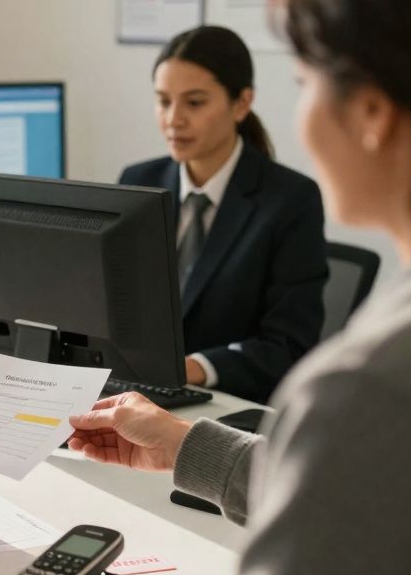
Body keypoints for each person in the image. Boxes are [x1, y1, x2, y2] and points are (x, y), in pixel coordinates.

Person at [70, 0, 411, 575]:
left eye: (307, 80)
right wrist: (187, 444)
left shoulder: (375, 386)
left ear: (373, 111)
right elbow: (372, 498)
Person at [119, 25, 328, 404]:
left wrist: (195, 367)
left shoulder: (290, 200)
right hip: (137, 394)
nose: (174, 119)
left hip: (225, 406)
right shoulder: (138, 181)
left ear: (241, 103)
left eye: (194, 103)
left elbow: (289, 347)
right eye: (163, 101)